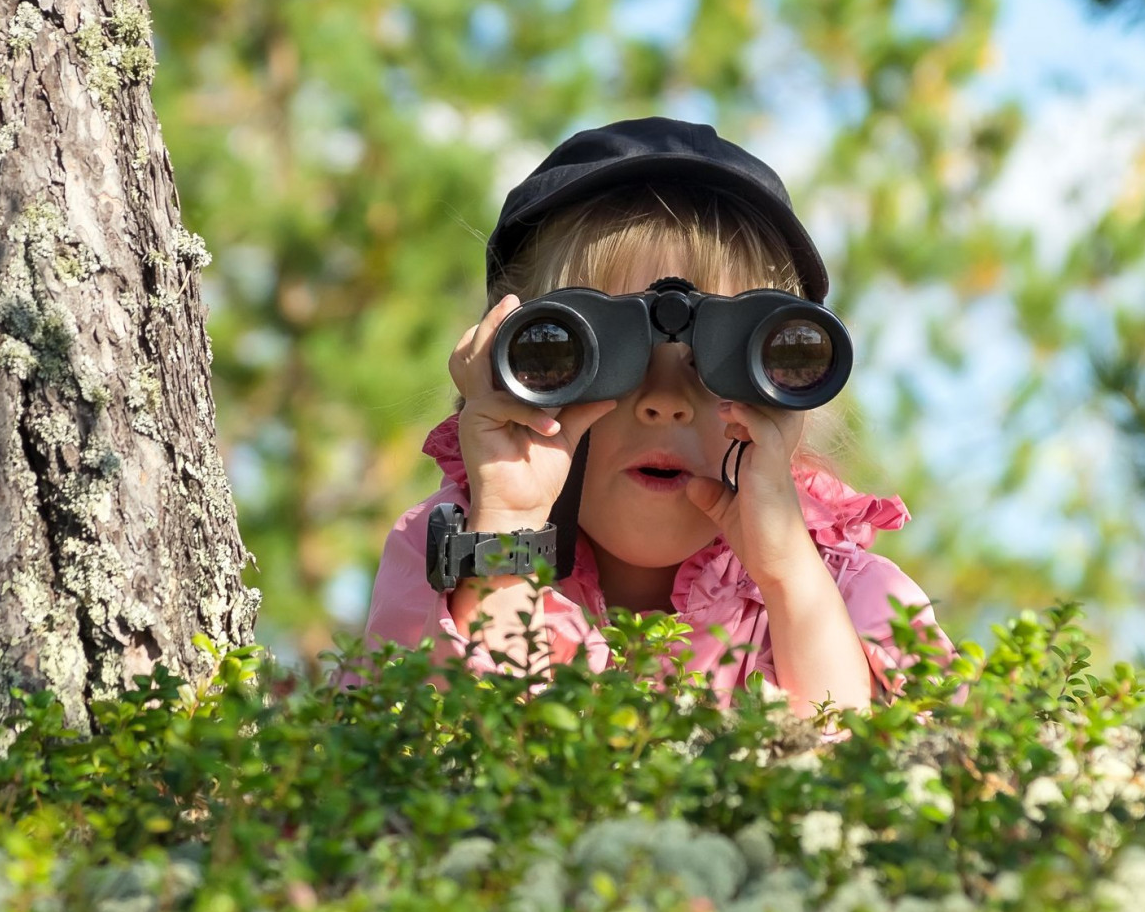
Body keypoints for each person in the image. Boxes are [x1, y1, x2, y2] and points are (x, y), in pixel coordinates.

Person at [361, 117, 952, 711]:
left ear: (779, 385)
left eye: (713, 362)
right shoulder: (452, 555)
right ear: (512, 369)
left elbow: (857, 779)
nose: (664, 402)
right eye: (603, 355)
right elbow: (456, 769)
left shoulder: (854, 598)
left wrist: (790, 577)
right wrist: (505, 534)